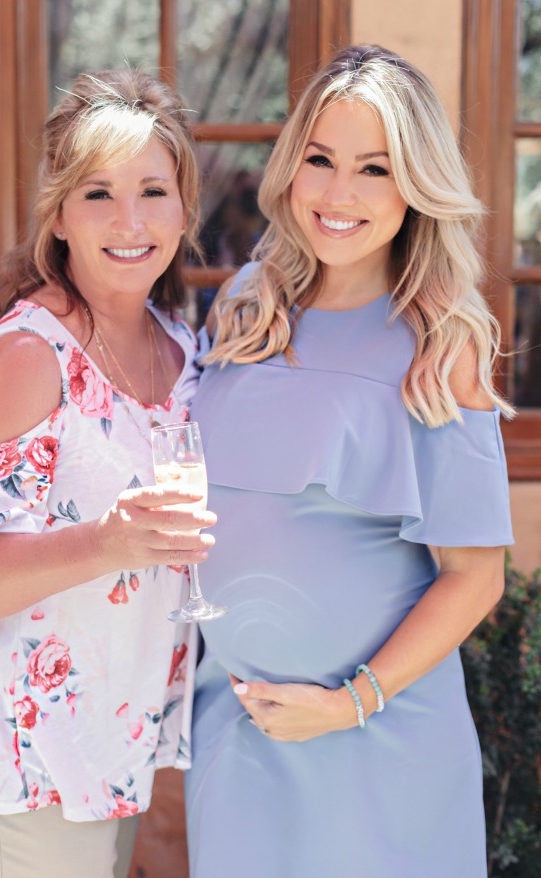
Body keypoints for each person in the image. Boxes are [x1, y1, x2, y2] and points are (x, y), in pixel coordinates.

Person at [185, 45, 514, 878]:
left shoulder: (443, 345)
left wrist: (346, 706)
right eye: (320, 160)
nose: (338, 194)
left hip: (377, 737)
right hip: (240, 730)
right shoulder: (245, 307)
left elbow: (475, 577)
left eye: (374, 169)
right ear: (291, 168)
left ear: (415, 185)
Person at [0, 69, 215, 878]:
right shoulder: (29, 355)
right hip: (22, 755)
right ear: (61, 215)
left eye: (153, 190)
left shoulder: (184, 348)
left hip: (114, 746)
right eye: (98, 194)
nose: (130, 221)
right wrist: (109, 542)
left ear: (185, 207)